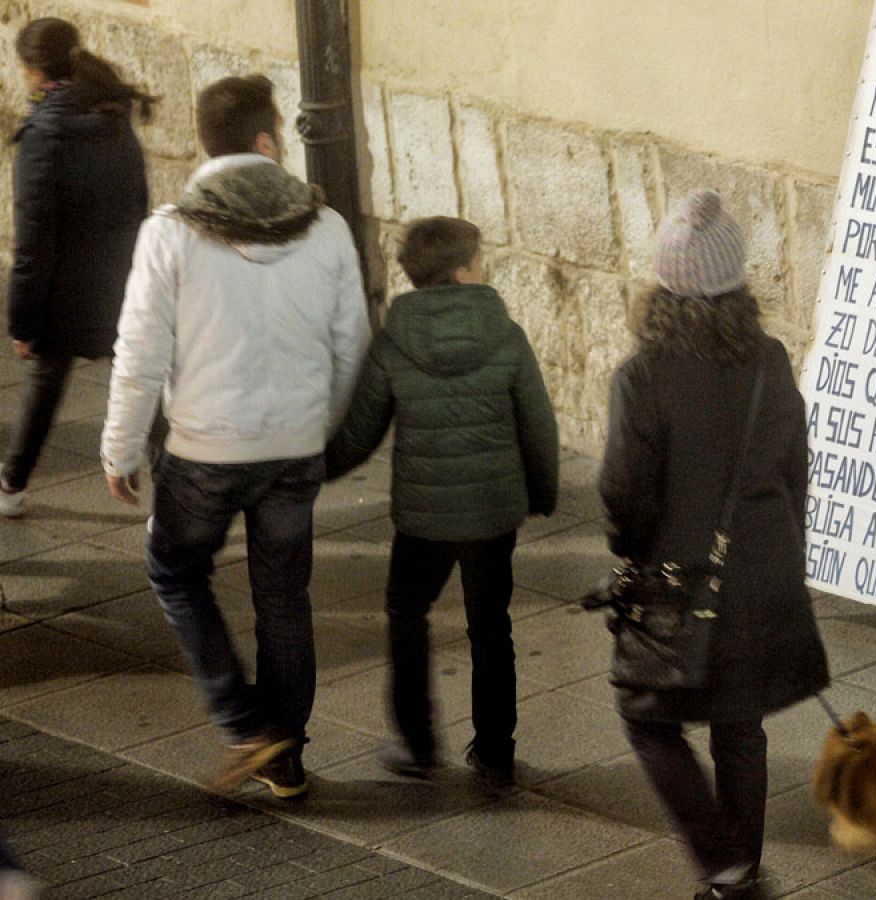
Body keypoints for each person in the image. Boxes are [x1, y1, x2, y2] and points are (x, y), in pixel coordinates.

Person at [99, 74, 370, 799]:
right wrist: (324, 429)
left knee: (175, 570)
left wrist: (119, 449)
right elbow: (353, 345)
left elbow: (140, 351)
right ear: (265, 141)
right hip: (294, 447)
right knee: (285, 598)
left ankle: (245, 724)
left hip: (204, 450)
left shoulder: (170, 232)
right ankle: (284, 757)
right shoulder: (329, 227)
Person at [600, 191, 829, 900]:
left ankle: (727, 865)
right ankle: (738, 874)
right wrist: (784, 549)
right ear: (736, 284)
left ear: (664, 285)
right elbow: (796, 468)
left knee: (645, 716)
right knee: (741, 724)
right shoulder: (767, 358)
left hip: (682, 579)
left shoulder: (641, 377)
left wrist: (630, 552)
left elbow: (624, 492)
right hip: (763, 569)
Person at [324, 216, 559, 787]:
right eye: (479, 260)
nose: (484, 269)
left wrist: (314, 470)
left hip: (424, 520)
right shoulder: (506, 335)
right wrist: (542, 493)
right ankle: (495, 751)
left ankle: (419, 742)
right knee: (490, 625)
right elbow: (538, 426)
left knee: (407, 612)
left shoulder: (394, 340)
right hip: (491, 514)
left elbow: (361, 431)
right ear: (461, 271)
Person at [2, 17, 152, 517]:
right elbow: (138, 204)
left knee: (46, 386)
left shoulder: (43, 138)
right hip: (119, 282)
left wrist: (21, 321)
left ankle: (13, 486)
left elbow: (32, 245)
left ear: (31, 71)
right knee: (140, 384)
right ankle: (175, 492)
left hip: (63, 294)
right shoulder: (112, 116)